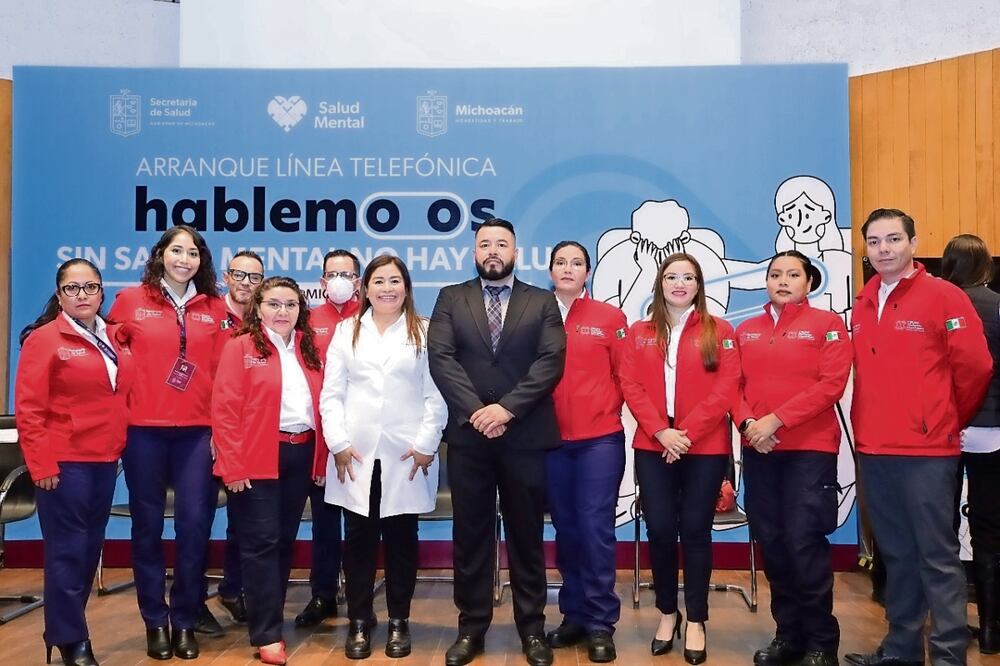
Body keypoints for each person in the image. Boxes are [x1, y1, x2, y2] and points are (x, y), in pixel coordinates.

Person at [845, 209, 992, 666]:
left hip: (927, 451)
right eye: (874, 241)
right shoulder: (863, 301)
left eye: (893, 239)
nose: (883, 249)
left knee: (937, 558)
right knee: (897, 555)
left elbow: (976, 368)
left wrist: (944, 418)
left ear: (913, 243)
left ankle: (948, 655)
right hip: (874, 448)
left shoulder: (945, 296)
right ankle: (901, 651)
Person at [428, 218, 566, 666]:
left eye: (501, 244)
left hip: (524, 435)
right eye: (484, 244)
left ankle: (532, 629)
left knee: (526, 535)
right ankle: (471, 628)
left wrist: (505, 410)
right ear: (473, 253)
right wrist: (477, 412)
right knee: (471, 535)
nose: (493, 250)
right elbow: (442, 358)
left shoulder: (541, 301)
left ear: (515, 253)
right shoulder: (451, 298)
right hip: (469, 438)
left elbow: (550, 361)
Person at [108, 224, 228, 661]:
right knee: (146, 526)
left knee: (194, 526)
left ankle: (185, 619)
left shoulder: (214, 307)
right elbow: (108, 356)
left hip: (197, 433)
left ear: (201, 261)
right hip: (143, 431)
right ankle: (155, 621)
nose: (184, 259)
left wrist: (221, 431)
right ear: (160, 254)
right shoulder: (129, 300)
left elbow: (225, 375)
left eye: (193, 253)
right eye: (177, 250)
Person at [320, 254, 447, 659]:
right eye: (379, 281)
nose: (387, 288)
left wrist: (427, 443)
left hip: (407, 456)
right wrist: (338, 442)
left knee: (401, 542)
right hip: (354, 455)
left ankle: (398, 622)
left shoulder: (425, 331)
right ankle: (359, 621)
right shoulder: (346, 331)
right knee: (358, 541)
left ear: (406, 288)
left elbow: (437, 394)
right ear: (365, 288)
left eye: (395, 281)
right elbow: (331, 394)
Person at [618, 252, 739, 665]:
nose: (680, 284)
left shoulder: (719, 330)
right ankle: (668, 613)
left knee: (696, 531)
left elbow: (727, 386)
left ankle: (697, 620)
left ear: (699, 285)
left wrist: (685, 434)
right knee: (660, 531)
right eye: (672, 277)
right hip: (654, 444)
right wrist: (661, 432)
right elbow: (630, 385)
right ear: (660, 283)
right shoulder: (640, 332)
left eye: (689, 277)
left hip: (703, 445)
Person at [735, 250, 852, 666]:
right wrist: (751, 424)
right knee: (772, 542)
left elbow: (831, 385)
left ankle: (821, 641)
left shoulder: (828, 325)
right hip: (760, 449)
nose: (782, 281)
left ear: (809, 282)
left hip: (809, 450)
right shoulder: (746, 330)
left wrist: (777, 420)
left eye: (792, 274)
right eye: (775, 274)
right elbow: (732, 386)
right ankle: (788, 636)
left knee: (804, 542)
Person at [15, 259, 134, 666]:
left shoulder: (113, 335)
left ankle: (65, 630)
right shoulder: (44, 339)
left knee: (88, 549)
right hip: (64, 461)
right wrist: (41, 464)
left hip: (105, 458)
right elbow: (29, 409)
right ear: (59, 294)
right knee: (68, 551)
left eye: (90, 287)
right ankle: (71, 639)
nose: (82, 295)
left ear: (102, 293)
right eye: (72, 288)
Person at [212, 276, 328, 666]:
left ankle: (270, 618)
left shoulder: (309, 348)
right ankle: (266, 633)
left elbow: (323, 407)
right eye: (274, 304)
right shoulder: (240, 346)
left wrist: (321, 459)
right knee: (260, 543)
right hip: (256, 456)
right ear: (258, 307)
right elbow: (225, 409)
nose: (283, 311)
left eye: (291, 304)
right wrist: (231, 464)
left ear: (301, 309)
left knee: (282, 541)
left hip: (302, 453)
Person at [542, 241, 628, 663]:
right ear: (550, 271)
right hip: (550, 443)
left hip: (599, 440)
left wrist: (603, 409)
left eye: (576, 263)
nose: (568, 269)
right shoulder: (536, 314)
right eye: (561, 262)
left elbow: (626, 376)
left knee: (596, 530)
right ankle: (573, 615)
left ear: (587, 272)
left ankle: (600, 623)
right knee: (567, 529)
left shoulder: (610, 318)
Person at [293, 249, 362, 627]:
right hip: (319, 437)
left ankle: (360, 596)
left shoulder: (371, 316)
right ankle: (323, 595)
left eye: (346, 274)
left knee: (360, 524)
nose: (339, 281)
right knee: (324, 521)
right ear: (322, 282)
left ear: (358, 281)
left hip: (364, 438)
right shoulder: (305, 321)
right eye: (332, 274)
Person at [941, 233, 1000, 654]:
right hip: (992, 429)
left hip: (943, 427)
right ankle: (992, 628)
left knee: (940, 529)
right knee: (989, 530)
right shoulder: (996, 304)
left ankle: (948, 624)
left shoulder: (940, 303)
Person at [212, 249, 265, 626]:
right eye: (239, 275)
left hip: (255, 437)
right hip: (211, 431)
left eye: (255, 277)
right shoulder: (207, 315)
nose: (246, 283)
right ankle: (204, 600)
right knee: (203, 519)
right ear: (225, 277)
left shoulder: (270, 318)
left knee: (243, 520)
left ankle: (234, 588)